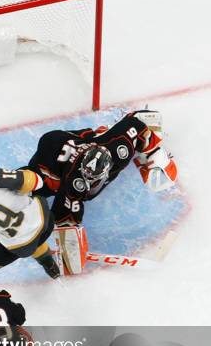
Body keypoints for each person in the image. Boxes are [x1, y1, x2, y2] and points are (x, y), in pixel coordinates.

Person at [23, 109, 178, 274]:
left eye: (93, 178)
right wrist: (71, 254)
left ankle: (102, 133)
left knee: (161, 173)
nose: (89, 182)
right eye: (87, 178)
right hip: (51, 156)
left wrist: (151, 149)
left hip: (79, 143)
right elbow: (66, 227)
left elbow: (140, 120)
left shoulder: (119, 147)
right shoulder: (75, 186)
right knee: (34, 186)